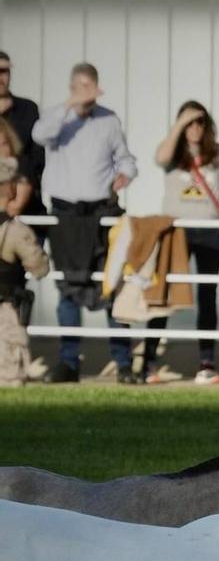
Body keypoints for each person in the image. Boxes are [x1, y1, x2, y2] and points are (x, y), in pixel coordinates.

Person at [33, 62, 137, 383]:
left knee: (111, 285)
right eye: (82, 87)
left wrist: (126, 174)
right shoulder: (56, 119)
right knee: (68, 287)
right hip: (65, 215)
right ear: (73, 87)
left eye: (92, 87)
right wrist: (71, 104)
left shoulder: (108, 119)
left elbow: (126, 158)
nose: (89, 95)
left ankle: (123, 363)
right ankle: (69, 363)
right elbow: (39, 135)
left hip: (102, 213)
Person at [146, 101, 219, 385]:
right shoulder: (173, 152)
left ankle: (207, 362)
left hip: (209, 229)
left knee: (207, 295)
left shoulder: (214, 152)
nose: (194, 128)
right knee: (164, 293)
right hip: (176, 229)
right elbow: (160, 156)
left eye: (199, 122)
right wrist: (179, 125)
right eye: (188, 122)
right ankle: (148, 362)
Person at [0, 154, 50, 384]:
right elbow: (39, 267)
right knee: (9, 375)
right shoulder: (15, 231)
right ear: (8, 188)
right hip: (7, 313)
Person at [0, 51, 41, 212]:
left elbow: (37, 157)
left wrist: (22, 186)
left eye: (4, 71)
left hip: (25, 204)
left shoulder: (28, 109)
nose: (1, 78)